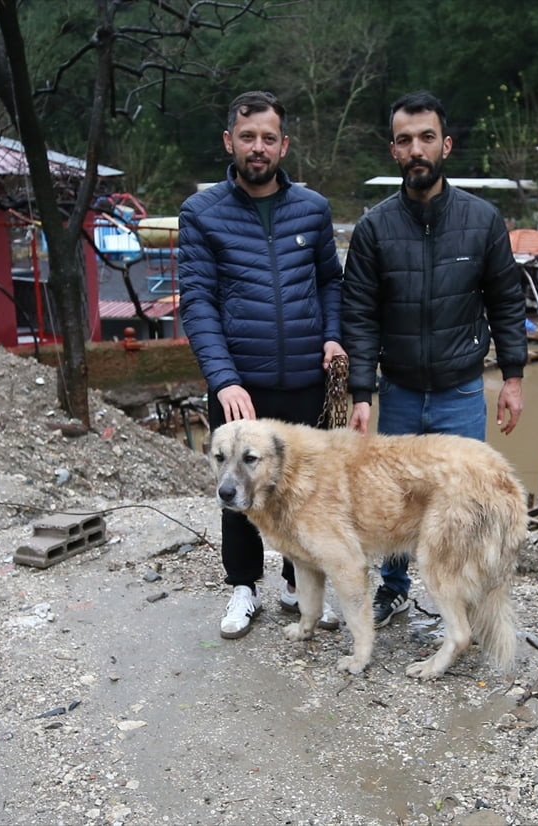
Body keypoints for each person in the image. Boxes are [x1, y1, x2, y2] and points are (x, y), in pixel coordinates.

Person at [342, 90, 528, 628]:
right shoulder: (375, 229)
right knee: (396, 501)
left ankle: (464, 600)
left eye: (427, 137)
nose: (417, 148)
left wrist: (512, 378)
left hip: (462, 392)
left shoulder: (483, 220)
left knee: (466, 503)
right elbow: (360, 316)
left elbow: (506, 303)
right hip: (398, 390)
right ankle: (395, 590)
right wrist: (361, 393)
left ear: (445, 144)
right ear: (394, 151)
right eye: (405, 140)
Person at [178, 90, 347, 640]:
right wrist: (223, 378)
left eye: (268, 138)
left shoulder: (313, 209)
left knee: (300, 489)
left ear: (283, 144)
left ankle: (300, 584)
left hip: (305, 380)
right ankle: (244, 587)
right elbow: (197, 301)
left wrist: (332, 338)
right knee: (237, 489)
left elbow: (329, 283)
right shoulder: (201, 214)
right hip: (240, 385)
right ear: (230, 141)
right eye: (247, 137)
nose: (258, 148)